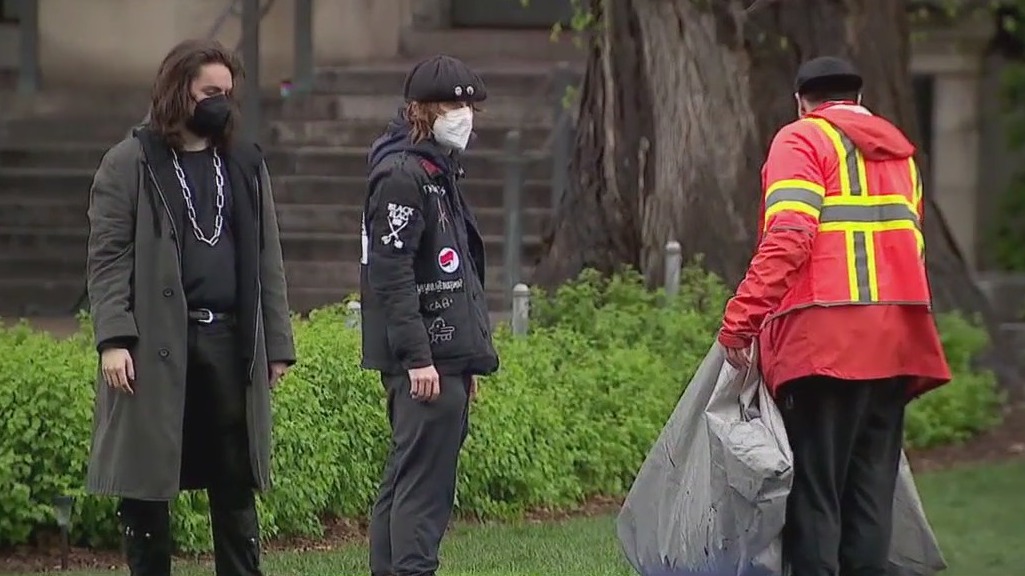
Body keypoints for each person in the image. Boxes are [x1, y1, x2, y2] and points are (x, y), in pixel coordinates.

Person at [717, 56, 952, 576]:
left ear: (801, 102)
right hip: (896, 342)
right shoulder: (900, 154)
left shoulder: (801, 140)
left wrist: (741, 320)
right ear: (859, 99)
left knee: (814, 495)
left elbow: (789, 236)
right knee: (869, 497)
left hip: (823, 341)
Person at [85, 38, 296, 576]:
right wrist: (113, 338)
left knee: (234, 480)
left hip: (227, 341)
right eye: (209, 92)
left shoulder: (245, 162)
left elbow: (267, 259)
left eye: (227, 92)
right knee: (146, 487)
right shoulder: (128, 163)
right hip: (156, 344)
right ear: (179, 91)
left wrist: (276, 345)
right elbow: (108, 260)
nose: (220, 102)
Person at [359, 54, 500, 576]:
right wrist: (420, 357)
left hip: (445, 356)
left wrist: (467, 358)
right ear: (421, 111)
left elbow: (457, 270)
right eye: (451, 106)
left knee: (409, 476)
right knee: (423, 488)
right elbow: (391, 274)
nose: (464, 115)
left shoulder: (438, 173)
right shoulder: (402, 175)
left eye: (470, 106)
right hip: (424, 362)